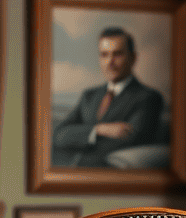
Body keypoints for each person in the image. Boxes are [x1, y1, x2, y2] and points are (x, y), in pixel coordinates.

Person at [52, 27, 165, 168]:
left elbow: (131, 140)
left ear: (133, 58)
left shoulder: (148, 97)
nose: (109, 62)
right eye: (104, 55)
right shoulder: (89, 96)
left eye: (117, 54)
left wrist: (78, 143)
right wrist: (98, 129)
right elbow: (58, 135)